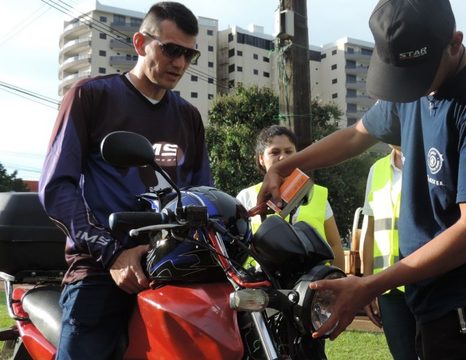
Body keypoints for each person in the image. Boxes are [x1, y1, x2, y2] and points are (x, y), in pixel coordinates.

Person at [257, 0, 466, 358]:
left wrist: (370, 285)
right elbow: (357, 134)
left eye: (417, 77)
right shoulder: (413, 81)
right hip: (424, 290)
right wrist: (290, 165)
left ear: (454, 42)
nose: (408, 89)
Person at [38, 2, 212, 359]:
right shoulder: (92, 96)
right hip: (102, 267)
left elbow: (199, 194)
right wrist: (112, 253)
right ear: (139, 42)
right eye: (171, 49)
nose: (179, 63)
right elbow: (57, 187)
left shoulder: (188, 117)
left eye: (188, 55)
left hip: (170, 265)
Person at [236, 125, 345, 270]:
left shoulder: (316, 194)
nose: (283, 157)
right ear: (261, 159)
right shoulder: (246, 197)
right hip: (263, 285)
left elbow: (335, 244)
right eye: (275, 152)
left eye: (289, 151)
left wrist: (336, 282)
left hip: (312, 286)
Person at [361, 145, 417, 360]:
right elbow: (370, 230)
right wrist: (367, 284)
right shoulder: (377, 169)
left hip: (427, 280)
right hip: (389, 287)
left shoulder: (430, 161)